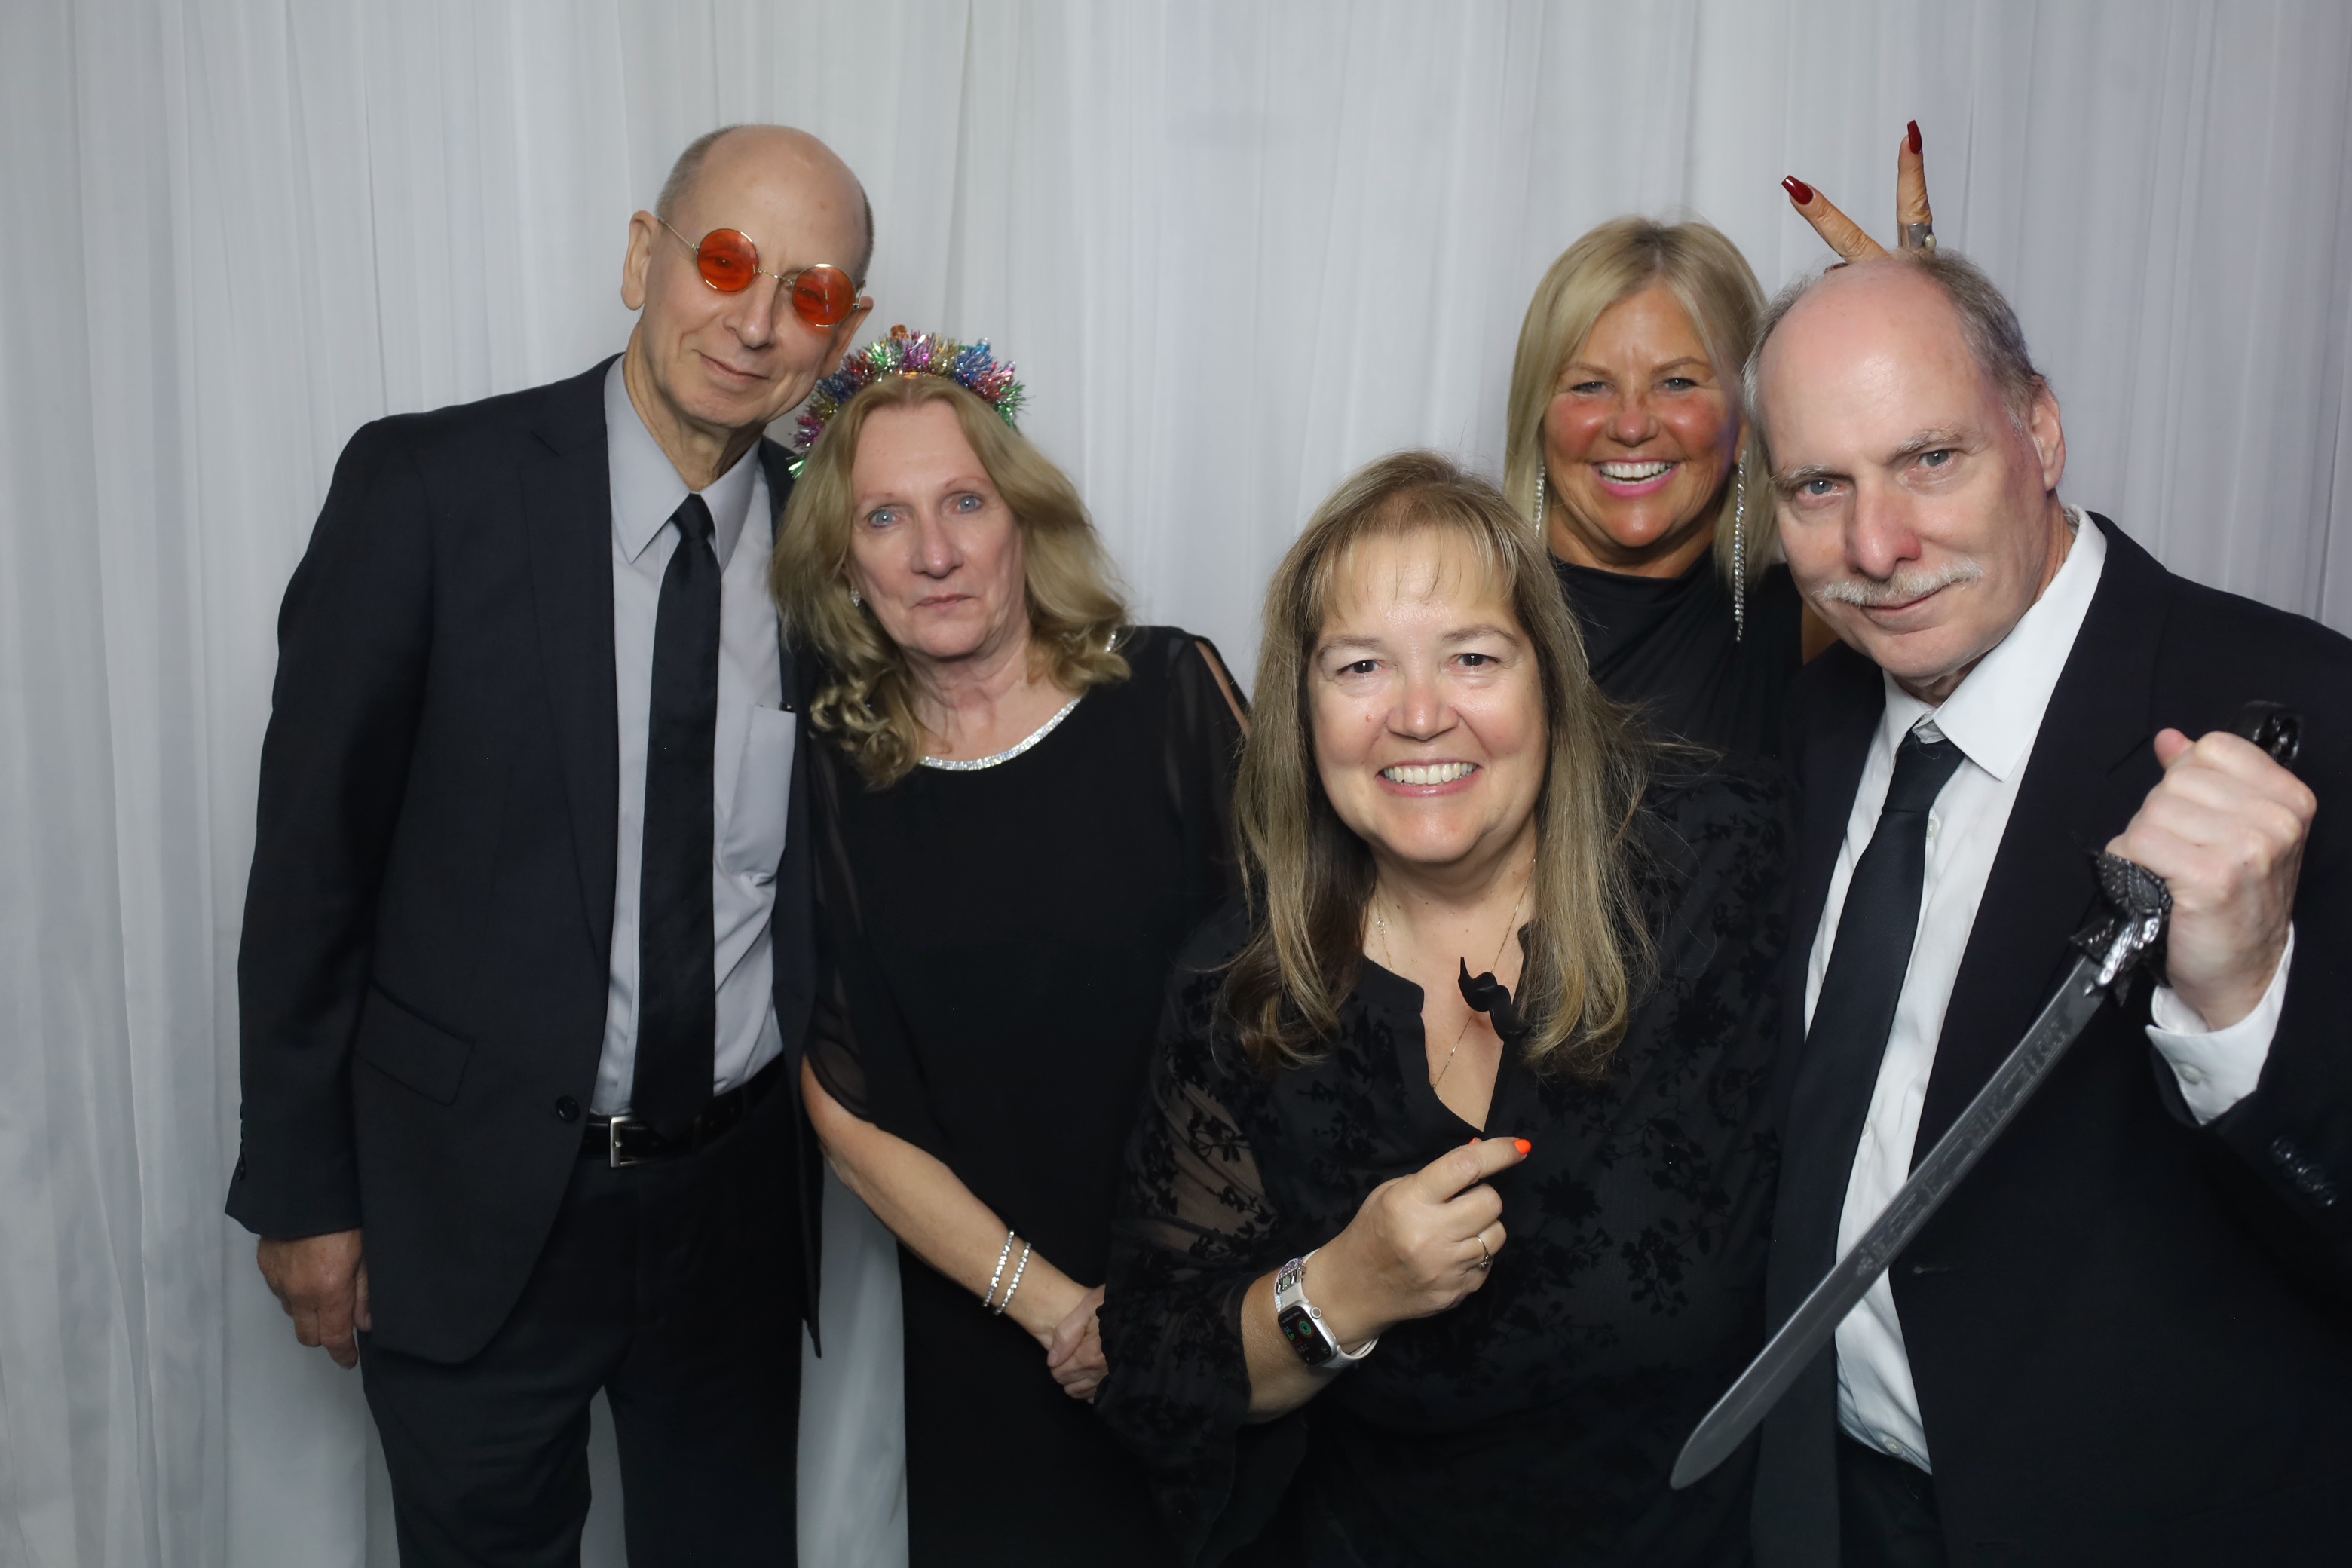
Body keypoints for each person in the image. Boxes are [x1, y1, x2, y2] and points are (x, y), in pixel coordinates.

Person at [226, 124, 874, 1563]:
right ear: (645, 256)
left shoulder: (837, 558)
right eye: (726, 262)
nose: (756, 323)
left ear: (845, 333)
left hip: (732, 1211)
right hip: (467, 1203)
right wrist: (304, 1195)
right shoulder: (426, 493)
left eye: (811, 293)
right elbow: (311, 871)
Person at [1746, 250, 2352, 1563]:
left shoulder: (2309, 713)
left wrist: (2244, 1003)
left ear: (2042, 431)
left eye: (1930, 460)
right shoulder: (1816, 717)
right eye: (1818, 487)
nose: (1876, 548)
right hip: (1833, 1509)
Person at [1095, 452, 1793, 1565]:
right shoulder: (1245, 987)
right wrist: (1340, 1292)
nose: (1419, 716)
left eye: (1472, 657)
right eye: (1362, 666)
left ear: (1548, 681)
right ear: (1303, 710)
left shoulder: (1723, 869)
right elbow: (1152, 1368)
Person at [771, 329, 1250, 1567]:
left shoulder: (1171, 695)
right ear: (843, 565)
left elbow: (1301, 990)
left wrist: (1161, 1312)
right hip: (990, 1335)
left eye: (965, 503)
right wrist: (1057, 1312)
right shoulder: (829, 775)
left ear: (1023, 521)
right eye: (885, 518)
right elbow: (839, 1102)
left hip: (1219, 1305)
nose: (934, 553)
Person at [1502, 124, 1940, 765]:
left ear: (1748, 423)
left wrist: (1930, 350)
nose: (1631, 426)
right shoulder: (1461, 609)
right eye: (1590, 385)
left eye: (1678, 382)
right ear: (1538, 417)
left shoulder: (1821, 621)